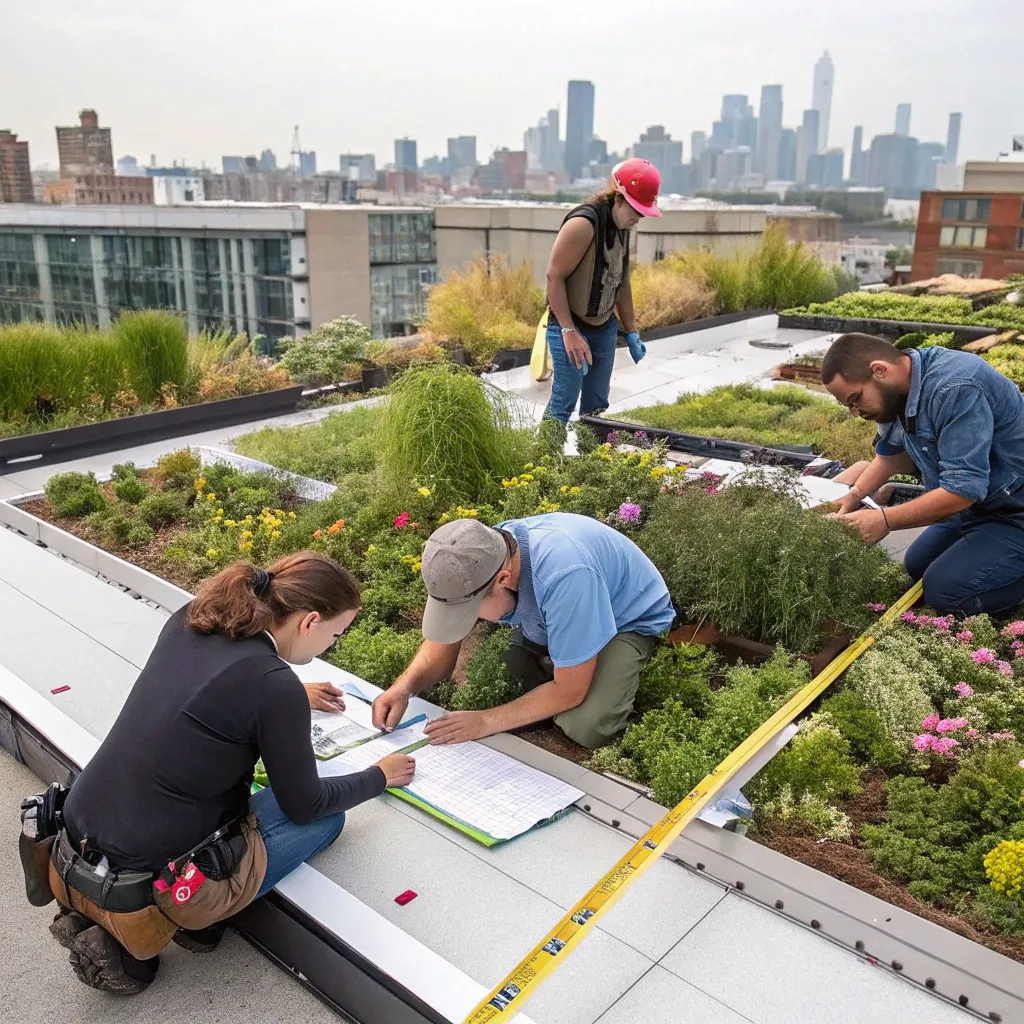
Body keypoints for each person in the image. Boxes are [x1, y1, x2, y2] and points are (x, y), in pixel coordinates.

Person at [46, 551, 415, 995]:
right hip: (154, 867)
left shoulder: (194, 618)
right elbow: (306, 804)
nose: (330, 646)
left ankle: (102, 909)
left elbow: (203, 686)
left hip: (78, 823)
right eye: (334, 635)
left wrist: (292, 693)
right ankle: (186, 921)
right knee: (326, 820)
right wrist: (379, 775)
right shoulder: (272, 685)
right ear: (310, 621)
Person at [371, 514, 676, 750]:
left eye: (468, 612)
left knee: (587, 725)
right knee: (508, 676)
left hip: (625, 618)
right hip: (559, 608)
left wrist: (485, 721)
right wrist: (404, 687)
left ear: (503, 579)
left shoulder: (565, 576)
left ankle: (590, 660)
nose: (465, 622)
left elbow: (571, 690)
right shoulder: (474, 555)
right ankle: (560, 658)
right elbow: (443, 640)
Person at [822, 332, 1024, 613]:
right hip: (981, 505)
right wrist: (853, 496)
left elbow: (963, 490)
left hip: (1013, 510)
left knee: (946, 592)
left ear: (879, 370)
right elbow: (890, 458)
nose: (854, 412)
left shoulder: (955, 387)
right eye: (848, 405)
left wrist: (884, 519)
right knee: (918, 564)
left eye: (855, 399)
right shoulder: (900, 388)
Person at [543, 158, 662, 425]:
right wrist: (568, 331)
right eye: (636, 210)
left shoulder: (622, 227)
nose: (638, 219)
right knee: (564, 401)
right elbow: (554, 277)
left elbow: (622, 281)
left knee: (596, 404)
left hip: (603, 327)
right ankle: (546, 462)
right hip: (569, 325)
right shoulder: (583, 224)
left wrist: (631, 331)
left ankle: (592, 460)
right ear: (619, 198)